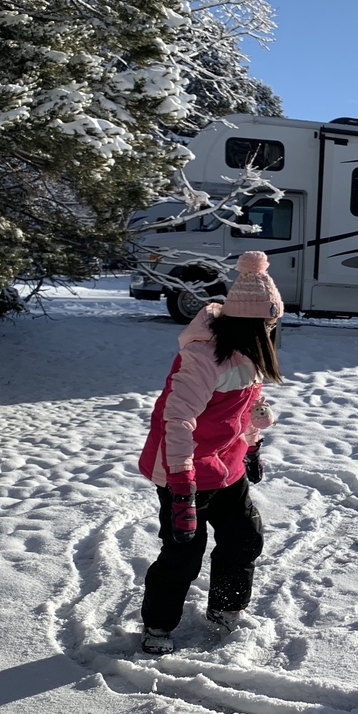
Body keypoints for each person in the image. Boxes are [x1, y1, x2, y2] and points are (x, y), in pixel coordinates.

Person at [137, 250, 283, 654]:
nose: (274, 328)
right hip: (182, 468)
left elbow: (241, 410)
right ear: (252, 321)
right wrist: (183, 492)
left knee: (244, 538)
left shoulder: (250, 353)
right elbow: (177, 422)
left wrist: (252, 444)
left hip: (226, 465)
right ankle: (158, 627)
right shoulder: (203, 358)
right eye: (270, 321)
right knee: (184, 553)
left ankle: (225, 609)